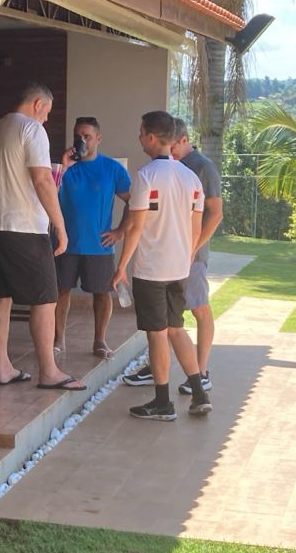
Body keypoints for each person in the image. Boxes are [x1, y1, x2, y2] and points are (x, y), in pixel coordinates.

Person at [0, 82, 83, 391]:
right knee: (46, 297)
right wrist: (60, 226)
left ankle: (3, 367)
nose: (46, 119)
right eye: (47, 112)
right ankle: (49, 371)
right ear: (37, 104)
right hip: (23, 225)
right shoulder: (32, 130)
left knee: (0, 295)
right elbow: (42, 180)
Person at [110, 111, 211, 419]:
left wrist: (121, 266)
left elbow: (136, 227)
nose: (139, 138)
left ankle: (162, 403)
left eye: (141, 133)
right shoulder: (191, 178)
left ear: (152, 137)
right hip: (179, 270)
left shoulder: (146, 176)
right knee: (176, 329)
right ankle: (199, 393)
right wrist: (187, 257)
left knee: (156, 334)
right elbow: (196, 229)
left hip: (151, 270)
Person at [124, 130, 223, 394]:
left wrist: (192, 249)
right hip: (169, 260)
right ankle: (160, 372)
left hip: (189, 257)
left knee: (197, 310)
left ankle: (201, 373)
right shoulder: (170, 169)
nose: (171, 149)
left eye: (174, 144)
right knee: (167, 325)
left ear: (183, 140)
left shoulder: (201, 168)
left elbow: (215, 214)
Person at [54, 117, 131, 360]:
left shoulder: (112, 169)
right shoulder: (64, 168)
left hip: (99, 246)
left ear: (98, 139)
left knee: (102, 293)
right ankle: (58, 339)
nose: (82, 141)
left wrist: (120, 231)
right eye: (78, 136)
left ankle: (100, 340)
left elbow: (133, 201)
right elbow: (47, 194)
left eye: (87, 136)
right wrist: (64, 167)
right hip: (66, 243)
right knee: (61, 291)